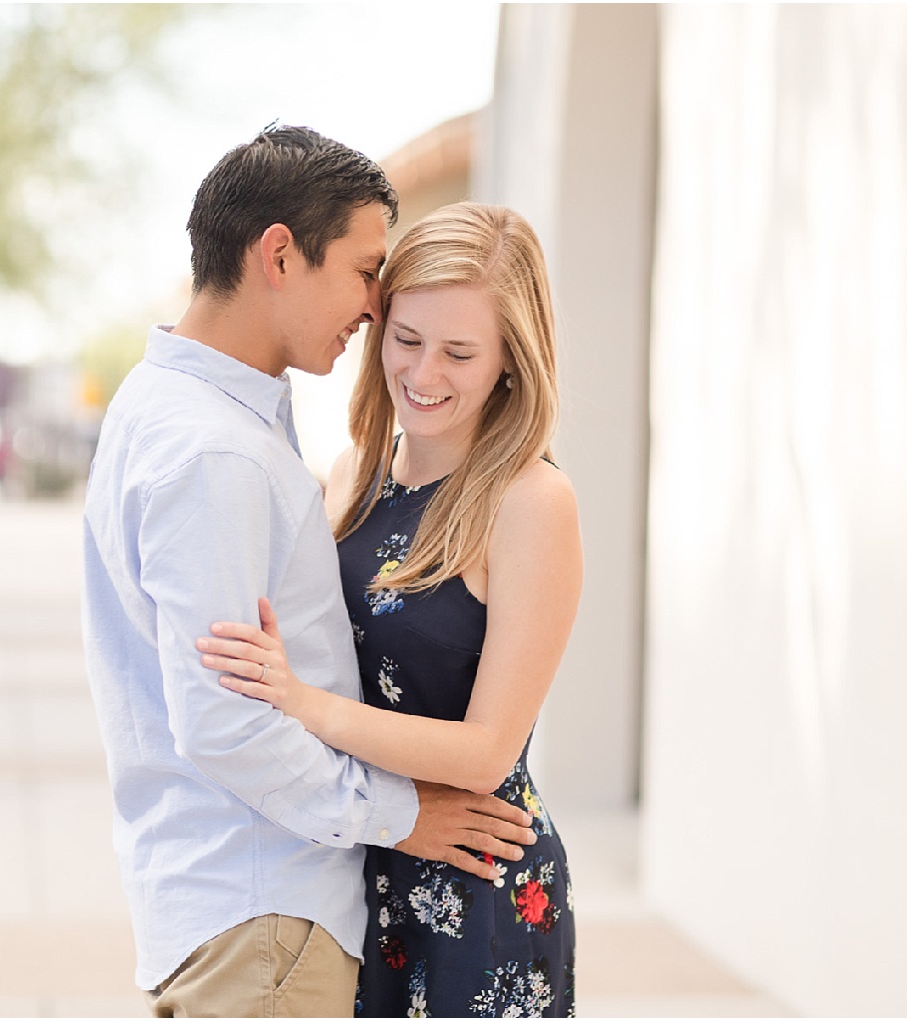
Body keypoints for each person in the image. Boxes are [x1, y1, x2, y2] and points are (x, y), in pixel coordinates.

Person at [82, 129, 538, 1018]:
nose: (375, 305)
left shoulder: (173, 407)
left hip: (261, 913)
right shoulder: (219, 451)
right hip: (264, 915)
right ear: (281, 254)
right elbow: (227, 722)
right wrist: (402, 816)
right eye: (366, 270)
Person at [195, 202, 583, 1017]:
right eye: (406, 340)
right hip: (360, 861)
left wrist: (303, 703)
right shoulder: (352, 474)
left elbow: (484, 753)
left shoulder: (532, 503)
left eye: (460, 352)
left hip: (476, 885)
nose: (424, 373)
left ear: (513, 357)